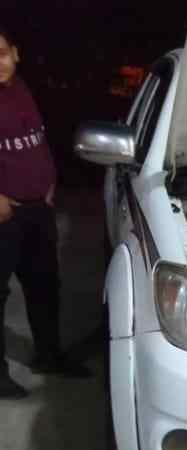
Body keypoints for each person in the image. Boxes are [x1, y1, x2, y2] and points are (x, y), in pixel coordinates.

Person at [0, 27, 90, 399]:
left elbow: (36, 138)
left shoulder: (22, 88)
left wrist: (49, 181)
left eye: (1, 53)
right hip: (6, 215)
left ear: (15, 53)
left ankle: (48, 356)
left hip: (38, 210)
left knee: (44, 286)